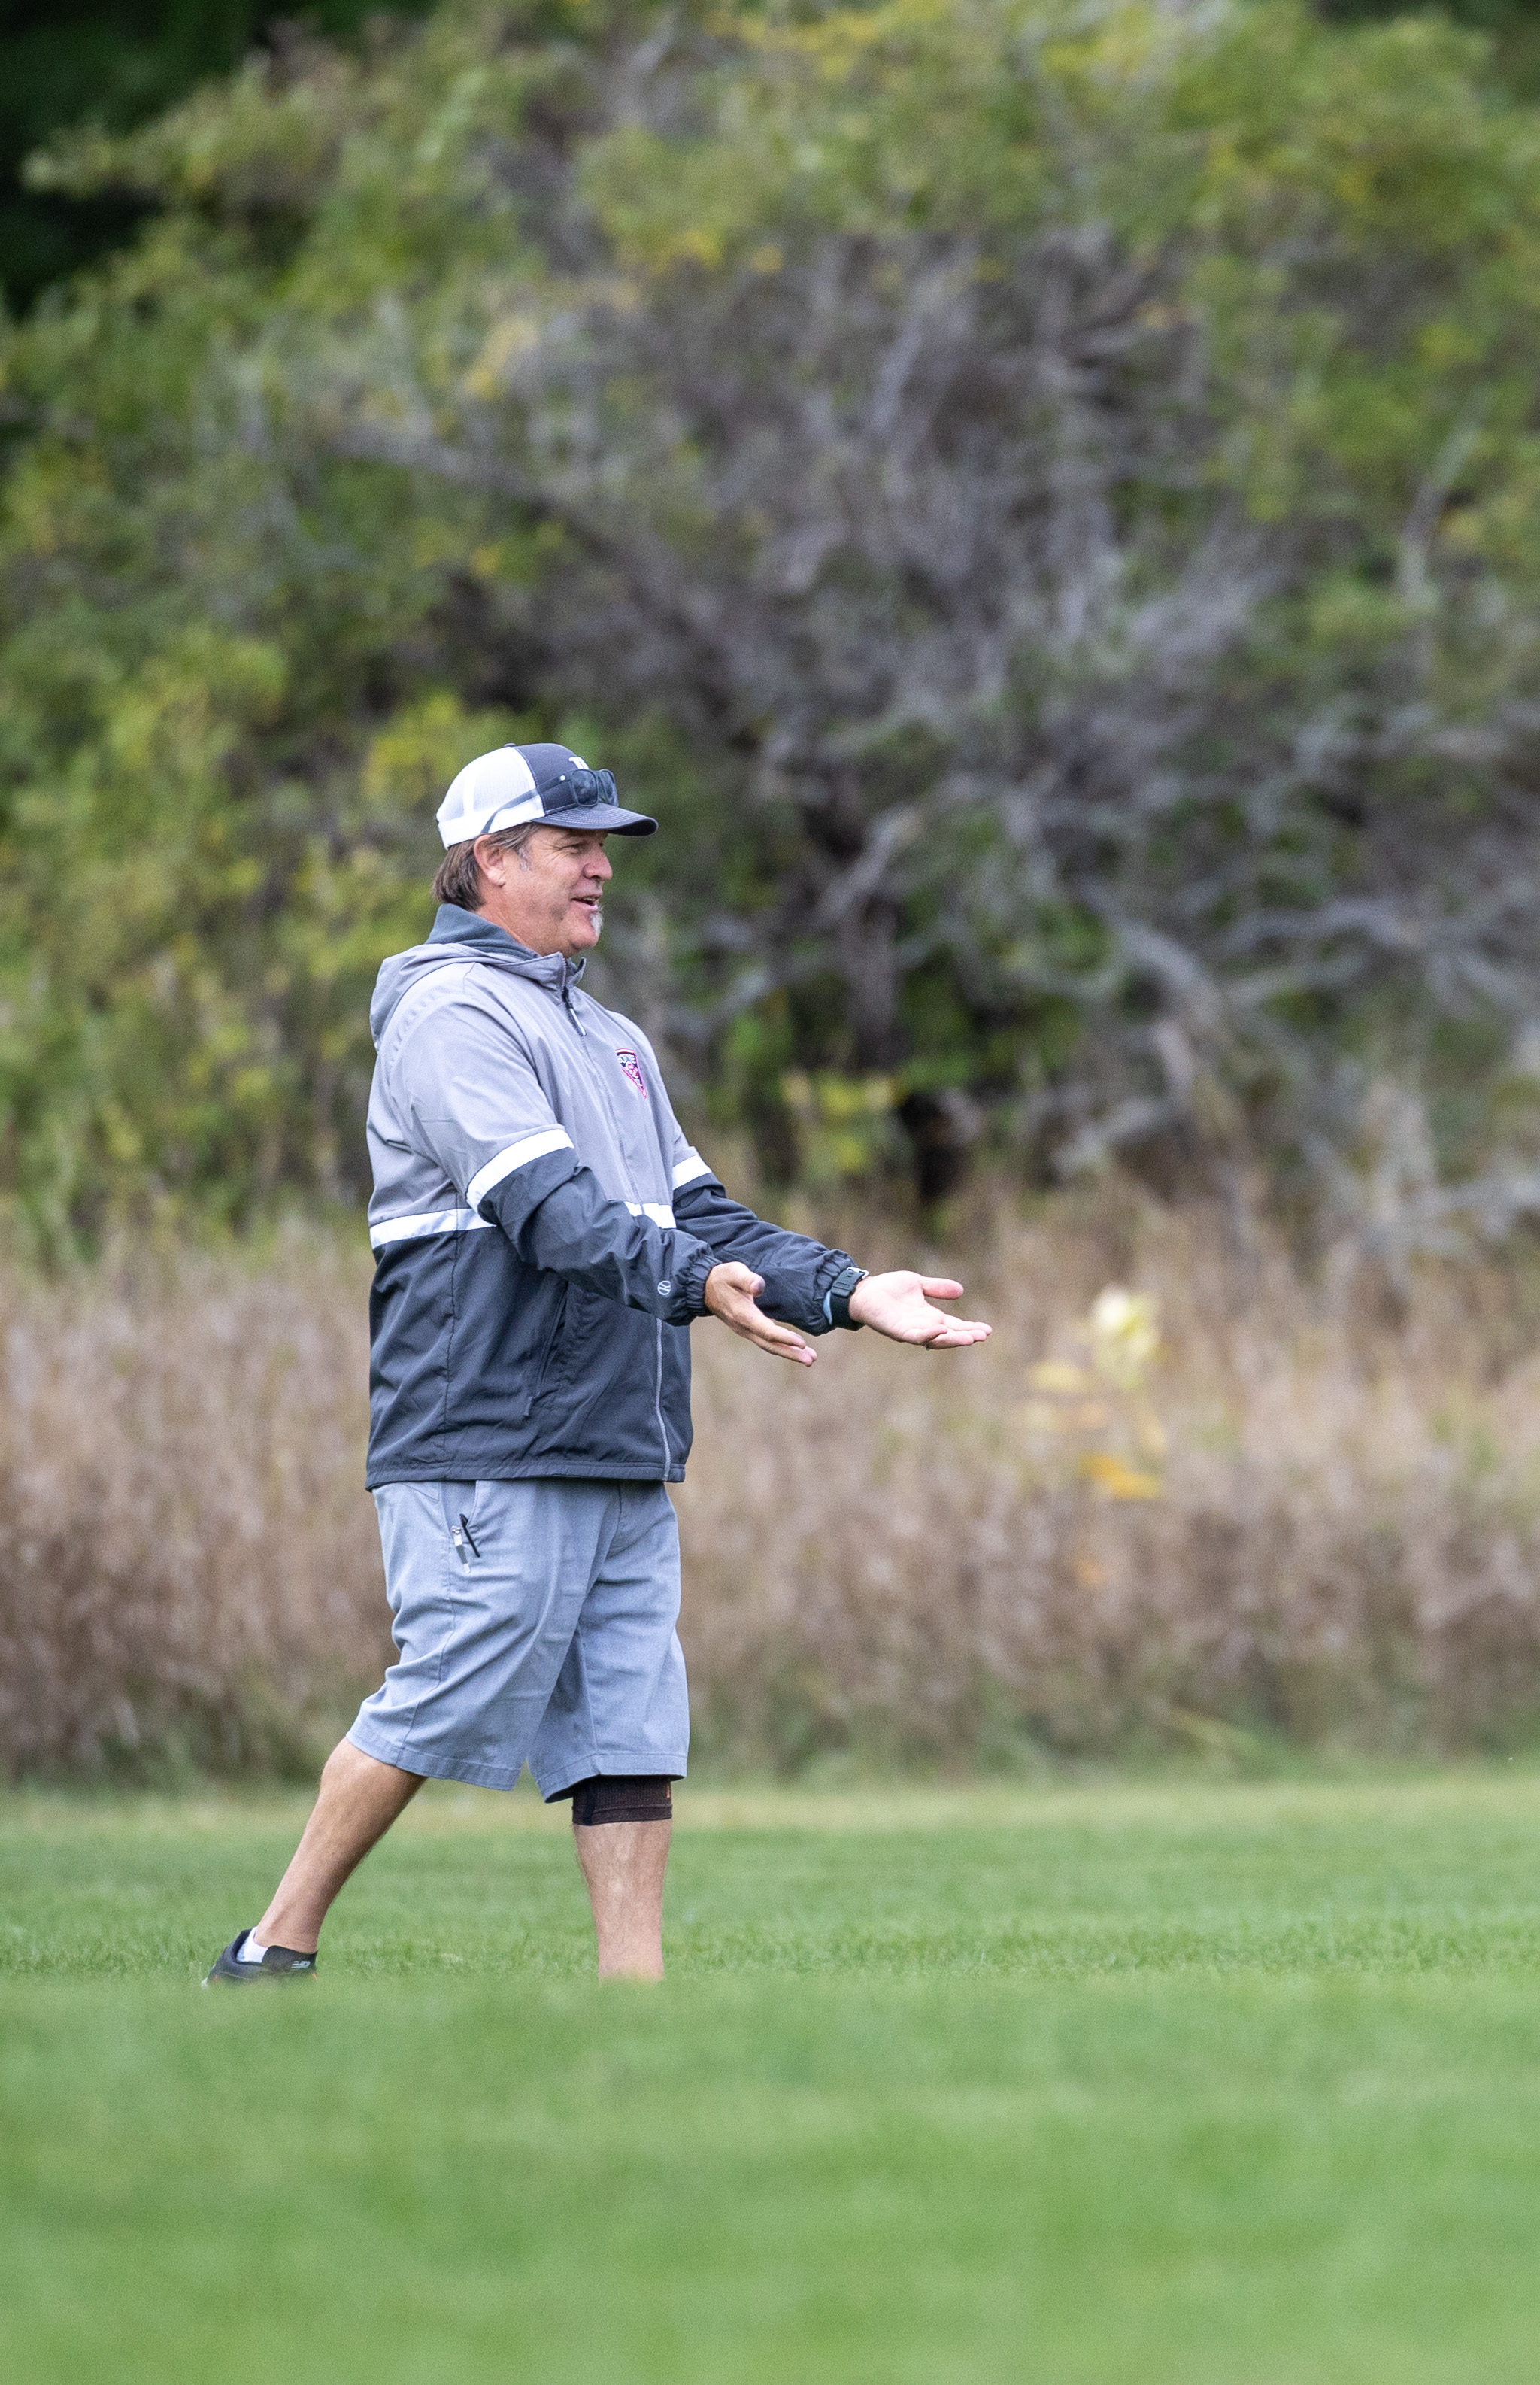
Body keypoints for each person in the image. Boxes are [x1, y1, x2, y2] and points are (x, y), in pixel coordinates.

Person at [204, 742, 992, 1987]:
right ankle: (271, 1947)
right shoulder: (448, 1014)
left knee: (629, 1725)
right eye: (572, 847)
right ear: (487, 861)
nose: (600, 871)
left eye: (604, 849)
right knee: (452, 1687)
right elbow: (551, 1214)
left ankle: (636, 2003)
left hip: (620, 1433)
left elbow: (703, 1218)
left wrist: (847, 1290)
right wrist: (694, 1285)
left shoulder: (611, 1036)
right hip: (486, 1431)